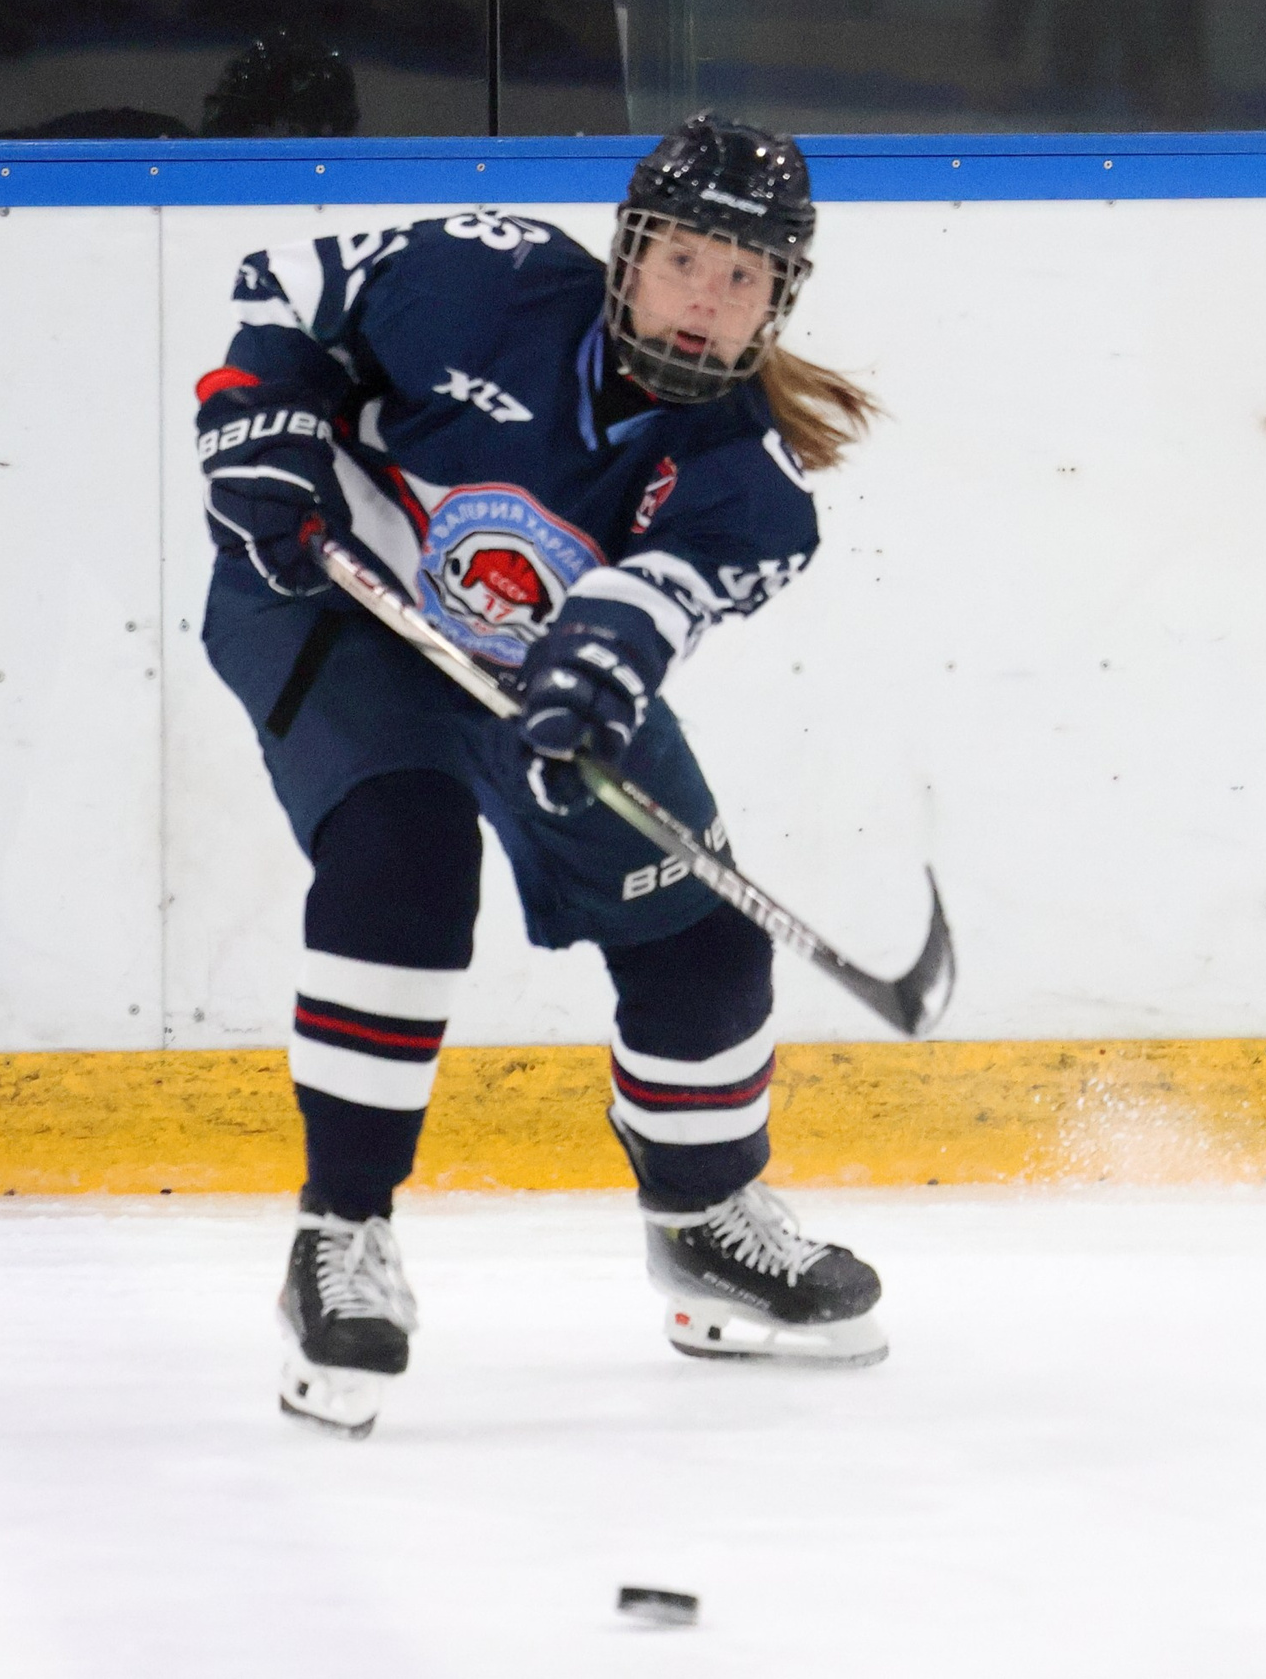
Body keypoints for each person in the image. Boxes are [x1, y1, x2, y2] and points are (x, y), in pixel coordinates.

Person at [195, 114, 888, 1438]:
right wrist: (263, 419)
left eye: (745, 280)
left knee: (699, 928)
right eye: (688, 260)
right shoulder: (483, 274)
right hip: (332, 598)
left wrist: (584, 683)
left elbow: (648, 606)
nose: (708, 302)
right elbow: (283, 285)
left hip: (541, 667)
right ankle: (340, 1239)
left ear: (779, 302)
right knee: (407, 849)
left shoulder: (758, 483)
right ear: (628, 253)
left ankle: (702, 1224)